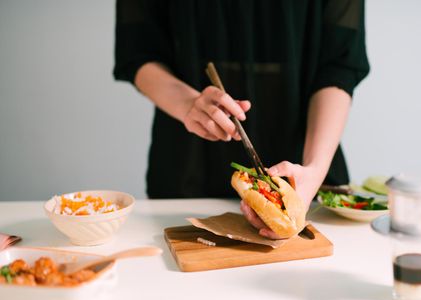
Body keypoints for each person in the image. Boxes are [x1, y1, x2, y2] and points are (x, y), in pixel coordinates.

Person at [114, 0, 369, 238]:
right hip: (187, 170)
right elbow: (138, 50)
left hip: (308, 168)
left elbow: (339, 65)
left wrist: (314, 171)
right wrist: (188, 104)